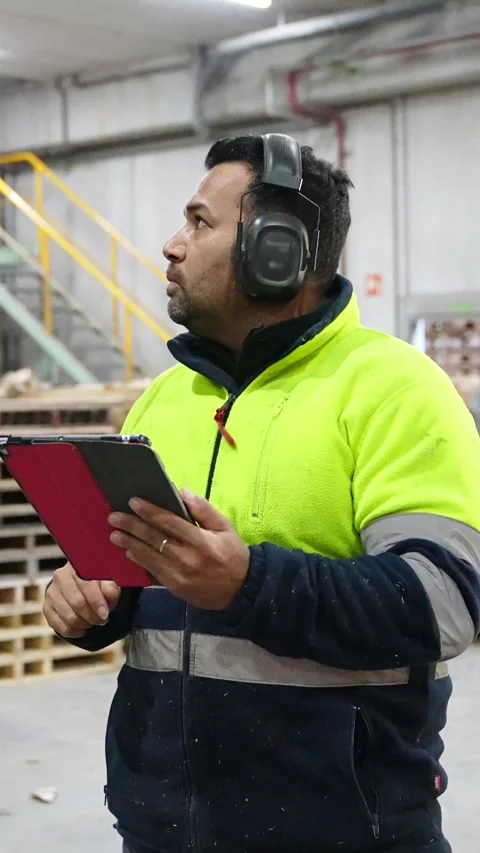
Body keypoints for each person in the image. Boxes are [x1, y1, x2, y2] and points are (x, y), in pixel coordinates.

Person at [43, 134, 480, 853]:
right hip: (164, 828)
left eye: (199, 223)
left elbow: (445, 602)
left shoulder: (395, 390)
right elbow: (133, 585)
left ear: (279, 251)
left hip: (345, 829)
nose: (171, 245)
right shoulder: (163, 400)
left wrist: (249, 582)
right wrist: (93, 602)